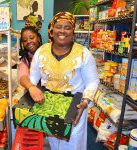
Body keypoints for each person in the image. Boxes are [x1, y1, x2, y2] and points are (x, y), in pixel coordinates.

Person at [29, 12, 100, 150]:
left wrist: (85, 102)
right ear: (51, 30)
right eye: (58, 26)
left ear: (73, 31)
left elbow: (93, 82)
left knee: (72, 144)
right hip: (48, 108)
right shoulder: (41, 52)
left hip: (74, 109)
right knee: (54, 143)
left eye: (67, 27)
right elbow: (32, 78)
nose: (62, 31)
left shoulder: (83, 54)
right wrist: (31, 89)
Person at [18, 25, 44, 102]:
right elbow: (23, 76)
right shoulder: (25, 58)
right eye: (25, 40)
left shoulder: (47, 53)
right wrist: (31, 87)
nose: (28, 42)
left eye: (31, 38)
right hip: (31, 95)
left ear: (38, 38)